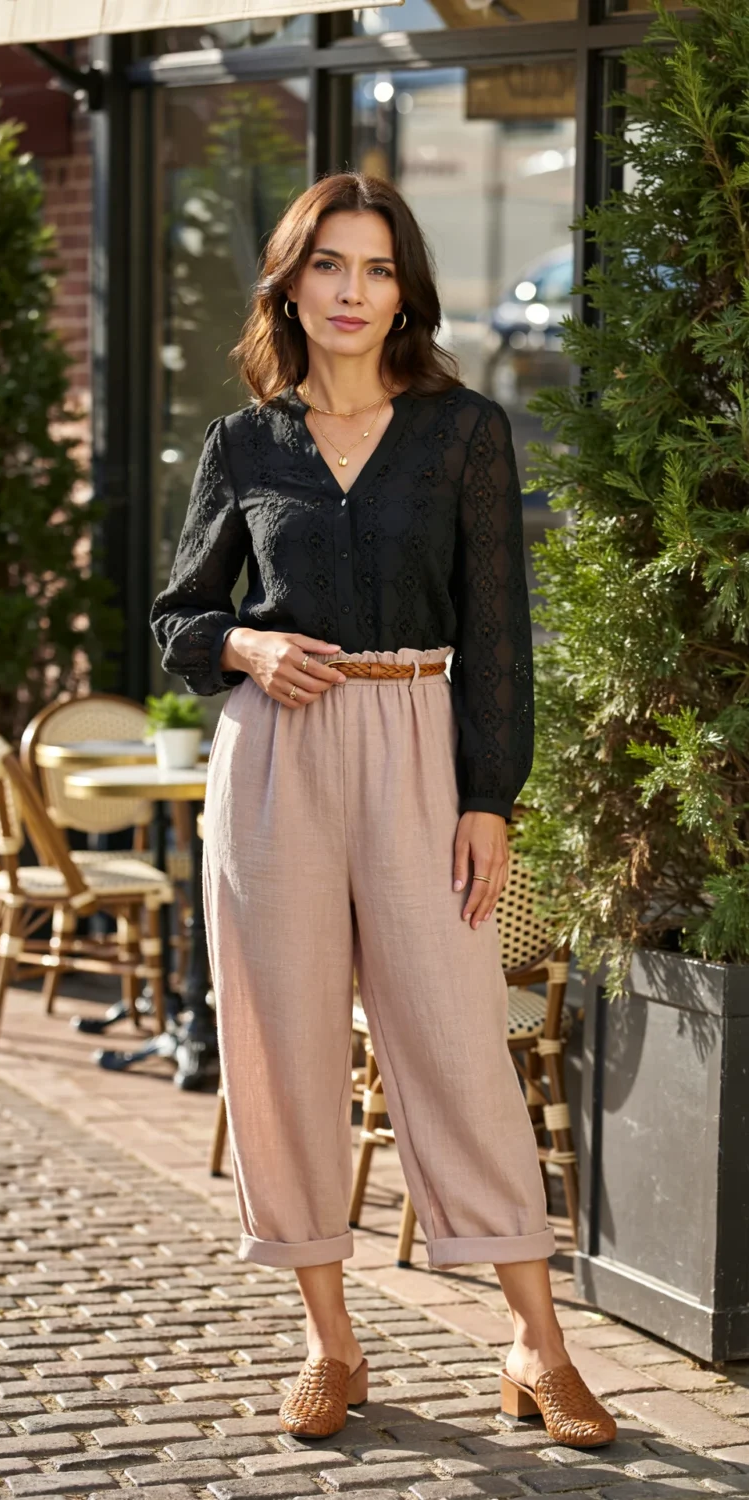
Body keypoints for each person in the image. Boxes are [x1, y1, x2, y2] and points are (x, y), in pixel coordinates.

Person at [149, 172, 615, 1448]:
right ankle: (330, 1341)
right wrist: (246, 646)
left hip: (418, 742)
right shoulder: (244, 445)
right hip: (275, 758)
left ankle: (536, 1341)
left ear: (404, 290)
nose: (352, 292)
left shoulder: (463, 431)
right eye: (328, 266)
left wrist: (487, 796)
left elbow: (499, 629)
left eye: (377, 268)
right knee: (282, 1043)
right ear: (290, 286)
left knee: (457, 1040)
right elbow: (179, 617)